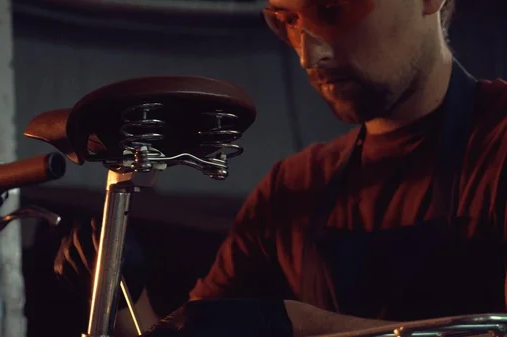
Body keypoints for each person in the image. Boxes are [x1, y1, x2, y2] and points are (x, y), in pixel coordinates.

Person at [55, 0, 507, 336]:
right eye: (287, 20)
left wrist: (308, 327)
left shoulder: (497, 146)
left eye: (330, 8)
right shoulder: (293, 188)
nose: (309, 56)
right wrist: (124, 302)